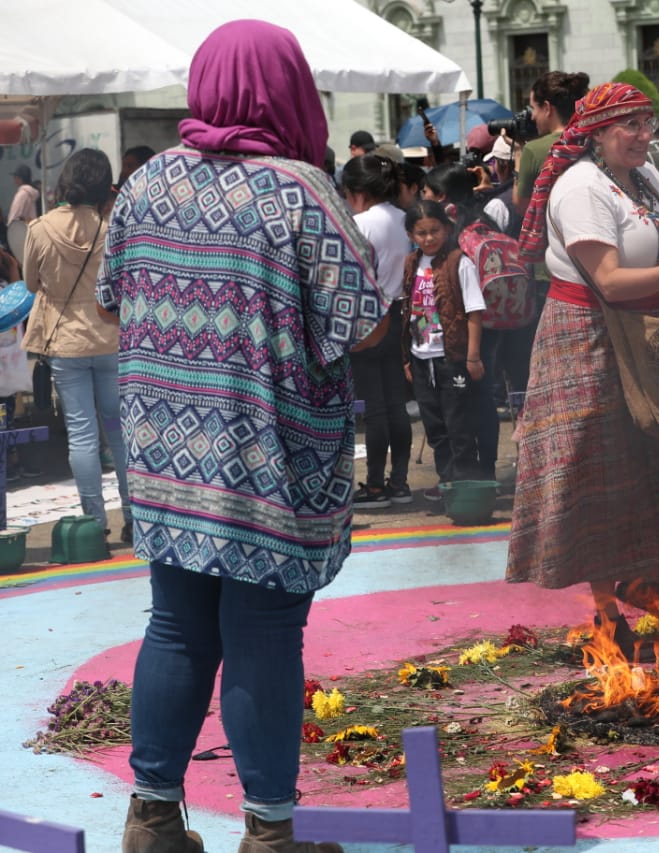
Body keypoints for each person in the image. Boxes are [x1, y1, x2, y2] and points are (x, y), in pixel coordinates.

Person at [98, 20, 384, 852]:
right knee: (262, 632)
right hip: (265, 456)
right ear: (287, 88)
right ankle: (268, 832)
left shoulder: (148, 180)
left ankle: (151, 818)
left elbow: (113, 294)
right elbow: (360, 327)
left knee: (176, 624)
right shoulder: (299, 189)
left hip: (162, 452)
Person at [508, 82, 659, 660]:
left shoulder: (642, 177)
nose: (645, 136)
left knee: (651, 461)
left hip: (650, 330)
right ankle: (607, 612)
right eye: (631, 127)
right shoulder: (580, 188)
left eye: (648, 124)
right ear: (596, 134)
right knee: (595, 468)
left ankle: (642, 584)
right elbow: (611, 279)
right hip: (588, 339)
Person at [21, 148, 131, 542]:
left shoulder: (40, 229)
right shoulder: (112, 226)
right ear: (104, 184)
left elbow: (32, 285)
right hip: (111, 339)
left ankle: (93, 524)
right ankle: (134, 517)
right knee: (120, 431)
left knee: (82, 435)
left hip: (65, 343)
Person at [400, 200, 491, 486]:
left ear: (446, 228)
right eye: (421, 232)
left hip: (451, 358)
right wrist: (407, 358)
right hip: (420, 357)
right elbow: (407, 310)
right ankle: (447, 483)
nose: (428, 238)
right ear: (411, 235)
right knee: (435, 426)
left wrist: (473, 357)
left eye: (434, 230)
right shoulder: (411, 263)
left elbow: (474, 311)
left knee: (459, 425)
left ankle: (466, 486)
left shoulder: (458, 262)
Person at [343, 154, 414, 508]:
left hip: (370, 317)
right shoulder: (406, 219)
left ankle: (374, 486)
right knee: (397, 404)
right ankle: (398, 482)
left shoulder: (359, 224)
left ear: (356, 192)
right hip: (403, 314)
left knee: (375, 410)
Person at [422, 163, 501, 473]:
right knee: (483, 399)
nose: (423, 197)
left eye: (427, 192)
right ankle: (489, 469)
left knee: (458, 403)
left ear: (441, 196)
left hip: (463, 326)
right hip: (495, 320)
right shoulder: (486, 216)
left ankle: (464, 474)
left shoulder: (449, 227)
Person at [512, 70, 591, 215]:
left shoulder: (533, 150)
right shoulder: (594, 139)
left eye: (534, 108)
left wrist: (518, 154)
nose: (533, 116)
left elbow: (522, 205)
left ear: (547, 108)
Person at [8, 164, 40, 261]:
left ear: (19, 178)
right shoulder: (34, 193)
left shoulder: (22, 194)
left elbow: (13, 218)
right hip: (34, 233)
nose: (14, 179)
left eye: (15, 177)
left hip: (22, 236)